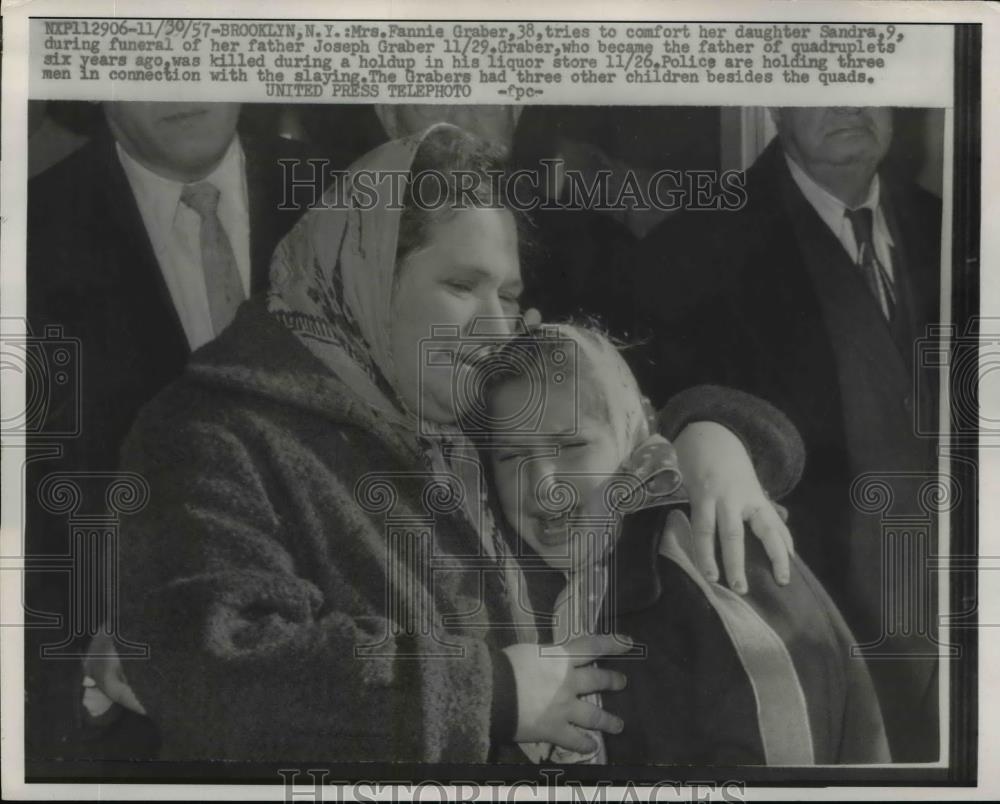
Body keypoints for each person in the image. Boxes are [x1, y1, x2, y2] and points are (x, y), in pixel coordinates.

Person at [114, 124, 798, 762]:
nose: (498, 328)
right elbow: (226, 673)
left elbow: (616, 417)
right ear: (368, 273)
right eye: (460, 285)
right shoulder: (206, 431)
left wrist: (716, 437)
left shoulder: (460, 403)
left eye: (508, 291)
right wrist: (494, 693)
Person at [628, 107, 941, 761]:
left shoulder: (951, 226)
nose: (848, 100)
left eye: (868, 78)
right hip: (816, 658)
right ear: (770, 96)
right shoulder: (691, 250)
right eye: (819, 78)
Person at [25, 101, 335, 759]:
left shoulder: (350, 195)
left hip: (366, 675)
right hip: (139, 714)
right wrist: (83, 651)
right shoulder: (26, 231)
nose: (179, 82)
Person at [483, 323, 890, 765]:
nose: (544, 486)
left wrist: (712, 431)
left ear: (632, 438)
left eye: (572, 445)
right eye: (510, 457)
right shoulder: (580, 580)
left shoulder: (708, 553)